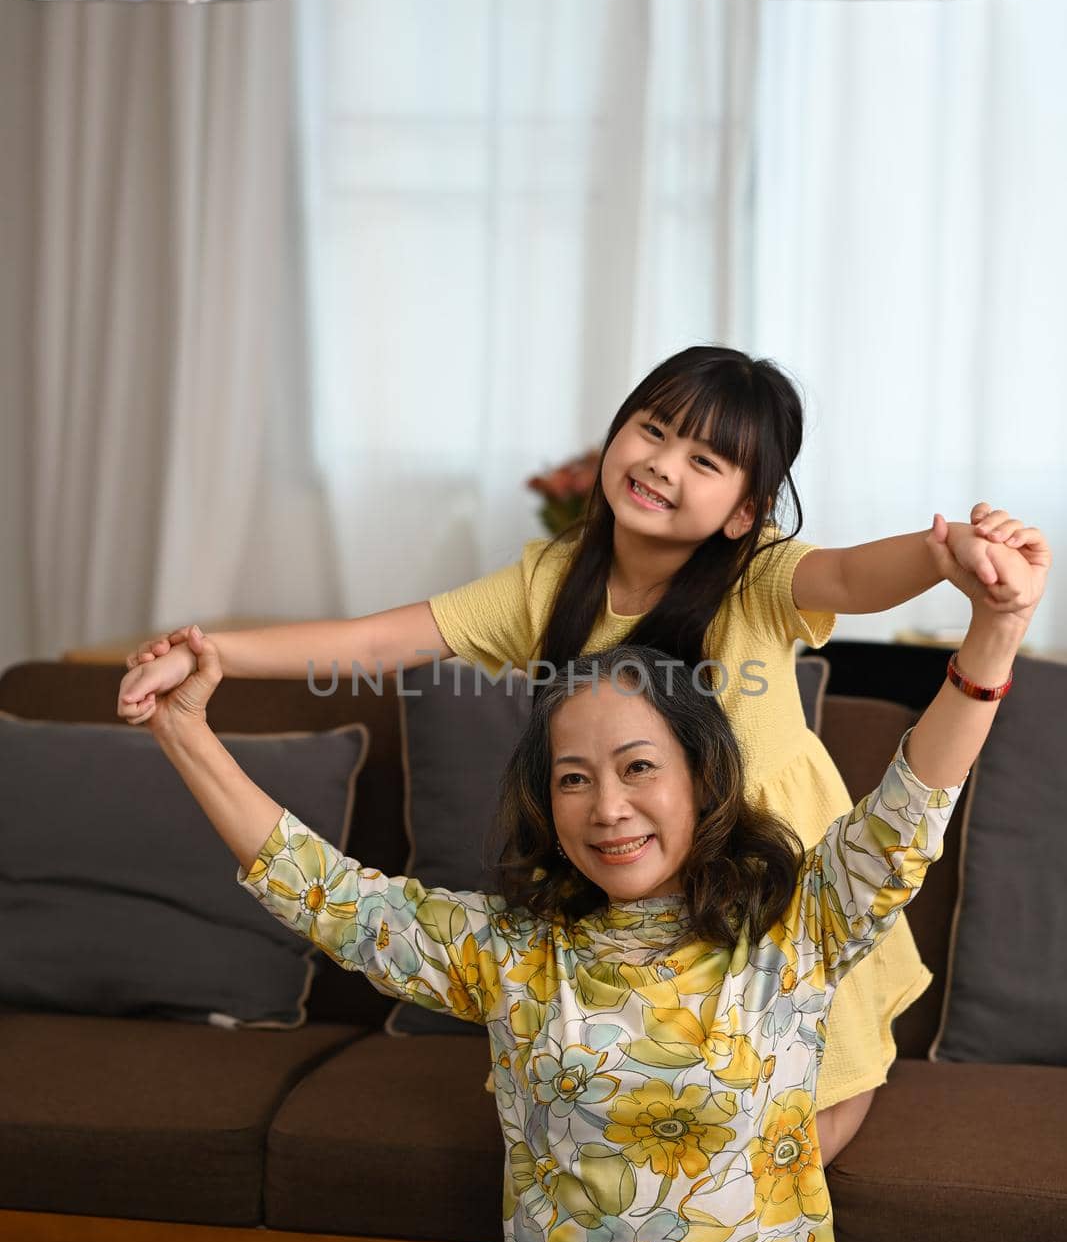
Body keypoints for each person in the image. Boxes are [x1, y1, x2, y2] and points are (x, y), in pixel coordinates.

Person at [142, 513, 1047, 1242]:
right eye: (573, 779)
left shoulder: (798, 923)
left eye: (638, 769)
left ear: (704, 778)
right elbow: (326, 893)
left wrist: (994, 629)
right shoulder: (510, 946)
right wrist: (183, 727)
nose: (607, 807)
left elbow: (913, 801)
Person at [116, 345, 1044, 1166]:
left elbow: (850, 574)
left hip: (777, 882)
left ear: (742, 510)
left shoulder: (756, 575)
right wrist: (218, 654)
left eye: (704, 459)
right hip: (630, 888)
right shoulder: (551, 580)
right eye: (652, 430)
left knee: (800, 1107)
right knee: (630, 1100)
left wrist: (950, 553)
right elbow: (371, 643)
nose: (662, 464)